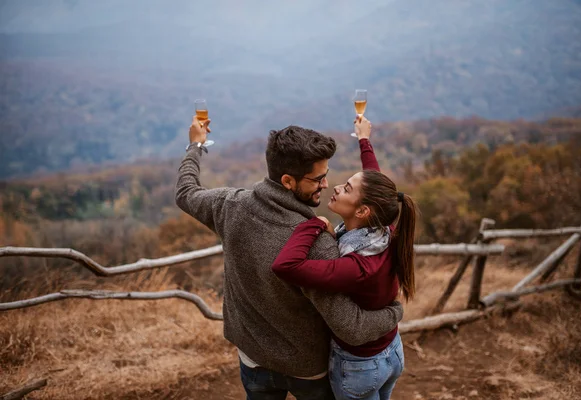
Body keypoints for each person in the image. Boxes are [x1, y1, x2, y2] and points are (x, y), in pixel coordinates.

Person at [176, 116, 404, 400]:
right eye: (317, 179)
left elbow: (186, 191)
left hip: (252, 357)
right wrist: (394, 313)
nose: (325, 184)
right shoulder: (319, 245)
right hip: (306, 369)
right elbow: (351, 328)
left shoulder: (229, 205)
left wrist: (194, 146)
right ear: (287, 180)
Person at [271, 116, 417, 400]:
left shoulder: (356, 266)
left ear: (362, 211)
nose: (335, 187)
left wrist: (313, 223)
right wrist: (364, 139)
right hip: (392, 352)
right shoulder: (386, 230)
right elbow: (374, 180)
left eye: (347, 189)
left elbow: (285, 266)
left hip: (360, 367)